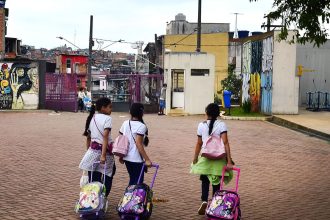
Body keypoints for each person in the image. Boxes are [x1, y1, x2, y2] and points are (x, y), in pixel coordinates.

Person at [190, 103, 234, 215]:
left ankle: (204, 200)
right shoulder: (222, 125)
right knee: (216, 183)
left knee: (204, 180)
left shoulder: (201, 125)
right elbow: (226, 143)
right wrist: (229, 160)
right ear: (218, 113)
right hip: (219, 159)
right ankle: (215, 204)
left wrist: (195, 158)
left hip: (206, 157)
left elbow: (199, 143)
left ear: (207, 113)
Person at [79, 97, 116, 197]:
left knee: (93, 174)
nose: (111, 109)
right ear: (103, 108)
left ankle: (93, 198)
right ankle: (102, 198)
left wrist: (88, 151)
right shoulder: (108, 119)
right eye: (110, 107)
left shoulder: (93, 117)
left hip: (93, 151)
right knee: (108, 174)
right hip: (104, 152)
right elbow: (105, 137)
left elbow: (89, 137)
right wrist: (103, 155)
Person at [118, 103, 152, 185]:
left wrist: (121, 156)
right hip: (136, 159)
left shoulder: (125, 123)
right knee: (137, 182)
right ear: (142, 113)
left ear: (130, 112)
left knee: (133, 179)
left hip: (126, 157)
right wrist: (147, 159)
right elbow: (138, 144)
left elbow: (121, 140)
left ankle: (128, 196)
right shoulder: (141, 126)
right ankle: (131, 197)